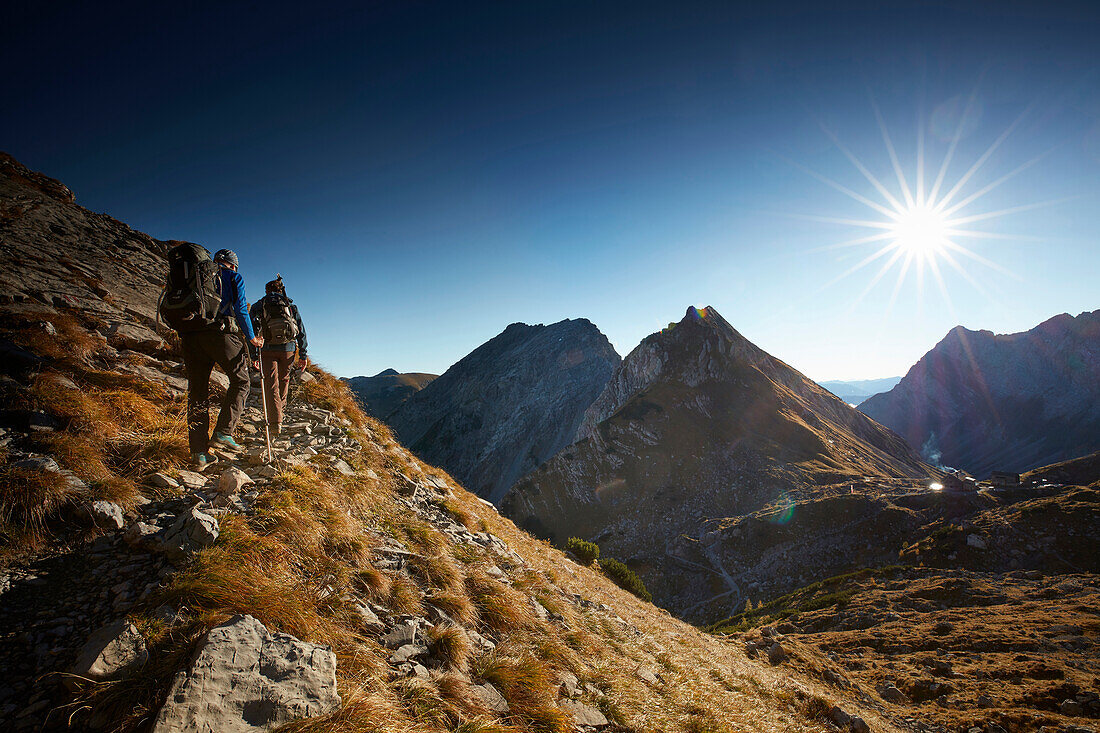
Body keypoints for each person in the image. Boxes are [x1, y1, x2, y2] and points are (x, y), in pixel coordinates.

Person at [180, 248, 263, 468]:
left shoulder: (194, 275)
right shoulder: (233, 276)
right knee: (242, 382)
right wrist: (252, 338)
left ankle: (199, 454)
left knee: (197, 393)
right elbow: (240, 309)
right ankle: (224, 433)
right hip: (219, 333)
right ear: (233, 265)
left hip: (190, 336)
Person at [249, 275, 308, 435]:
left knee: (271, 383)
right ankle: (279, 414)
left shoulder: (260, 304)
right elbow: (301, 331)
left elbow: (251, 329)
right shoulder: (290, 305)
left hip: (267, 348)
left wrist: (254, 355)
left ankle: (275, 421)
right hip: (288, 349)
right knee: (284, 380)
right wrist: (303, 355)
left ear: (266, 291)